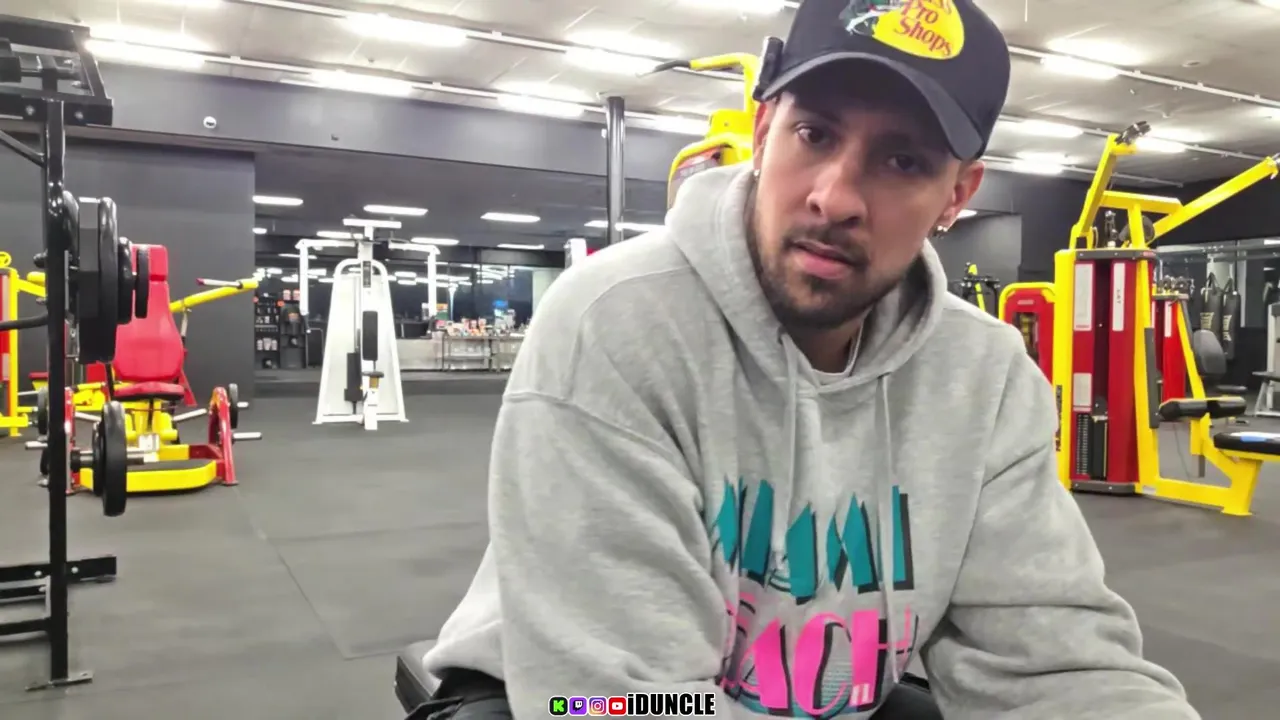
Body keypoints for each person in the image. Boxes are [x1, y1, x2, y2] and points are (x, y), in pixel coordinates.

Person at [415, 0, 1201, 717]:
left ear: (958, 195)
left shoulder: (985, 373)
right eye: (816, 134)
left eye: (903, 162)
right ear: (763, 130)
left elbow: (1060, 665)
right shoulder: (614, 321)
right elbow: (626, 696)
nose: (836, 197)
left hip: (808, 693)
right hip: (564, 698)